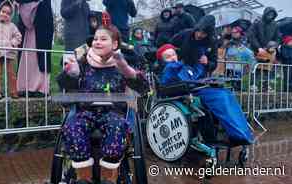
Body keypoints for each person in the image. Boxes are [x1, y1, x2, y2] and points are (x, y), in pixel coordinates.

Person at [57, 24, 148, 184]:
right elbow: (66, 86)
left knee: (117, 126)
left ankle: (109, 177)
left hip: (113, 111)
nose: (97, 42)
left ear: (114, 44)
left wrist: (127, 70)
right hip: (85, 110)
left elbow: (143, 87)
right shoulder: (83, 62)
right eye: (95, 39)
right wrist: (70, 73)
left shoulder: (122, 63)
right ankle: (83, 177)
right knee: (72, 126)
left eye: (103, 39)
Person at [157, 44, 254, 148]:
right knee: (221, 97)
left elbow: (195, 75)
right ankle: (238, 134)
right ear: (162, 61)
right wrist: (186, 59)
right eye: (168, 57)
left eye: (173, 54)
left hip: (198, 89)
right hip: (189, 93)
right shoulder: (169, 68)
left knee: (226, 93)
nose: (172, 58)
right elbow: (171, 78)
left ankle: (241, 133)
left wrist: (202, 64)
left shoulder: (183, 67)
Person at [17, 0, 53, 97]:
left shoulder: (23, 4)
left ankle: (25, 86)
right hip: (41, 31)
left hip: (30, 34)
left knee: (28, 58)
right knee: (40, 58)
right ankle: (41, 88)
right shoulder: (44, 3)